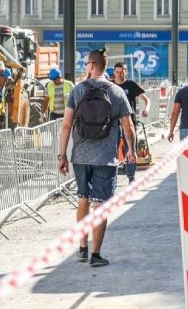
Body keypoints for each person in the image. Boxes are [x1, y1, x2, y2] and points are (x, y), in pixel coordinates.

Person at [57, 49, 135, 268]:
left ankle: (82, 248)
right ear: (105, 66)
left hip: (80, 157)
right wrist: (131, 150)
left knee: (83, 200)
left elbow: (66, 125)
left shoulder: (78, 90)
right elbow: (128, 128)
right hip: (106, 157)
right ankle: (96, 254)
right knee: (100, 206)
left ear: (91, 65)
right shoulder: (116, 91)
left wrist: (62, 155)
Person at [112, 62, 149, 183]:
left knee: (131, 148)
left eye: (122, 71)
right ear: (114, 72)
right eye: (117, 72)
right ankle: (112, 176)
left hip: (129, 122)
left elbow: (146, 99)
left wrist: (147, 108)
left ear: (126, 72)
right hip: (113, 123)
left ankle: (131, 176)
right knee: (112, 149)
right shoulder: (110, 85)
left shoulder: (131, 85)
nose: (119, 74)